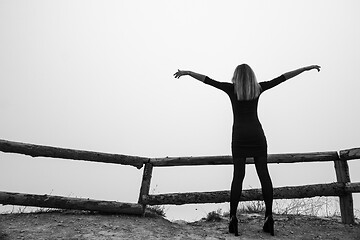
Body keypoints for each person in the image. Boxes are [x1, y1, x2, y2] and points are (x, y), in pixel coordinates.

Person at [173, 64, 321, 236]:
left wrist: (189, 72)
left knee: (238, 177)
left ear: (236, 76)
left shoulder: (231, 89)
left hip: (239, 137)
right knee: (264, 174)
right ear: (251, 76)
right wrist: (304, 69)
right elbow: (283, 77)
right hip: (257, 136)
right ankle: (269, 217)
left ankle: (233, 218)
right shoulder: (258, 89)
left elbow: (207, 80)